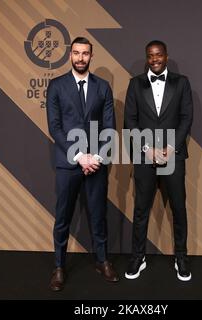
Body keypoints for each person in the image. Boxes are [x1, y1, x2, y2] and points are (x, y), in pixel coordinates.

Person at [46, 36, 119, 291]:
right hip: (69, 163)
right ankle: (58, 266)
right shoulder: (56, 86)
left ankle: (102, 261)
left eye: (85, 53)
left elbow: (110, 127)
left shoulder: (103, 87)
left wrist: (95, 158)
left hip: (96, 164)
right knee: (63, 217)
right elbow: (55, 128)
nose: (80, 58)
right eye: (76, 53)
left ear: (91, 55)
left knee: (98, 216)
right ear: (70, 55)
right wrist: (80, 156)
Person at [124, 40, 194, 281]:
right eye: (150, 56)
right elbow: (130, 122)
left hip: (173, 155)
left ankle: (181, 257)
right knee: (141, 209)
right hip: (145, 157)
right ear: (147, 58)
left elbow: (186, 118)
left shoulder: (181, 82)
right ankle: (137, 257)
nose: (155, 59)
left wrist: (171, 147)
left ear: (166, 56)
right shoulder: (135, 84)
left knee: (178, 208)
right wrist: (147, 149)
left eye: (159, 55)